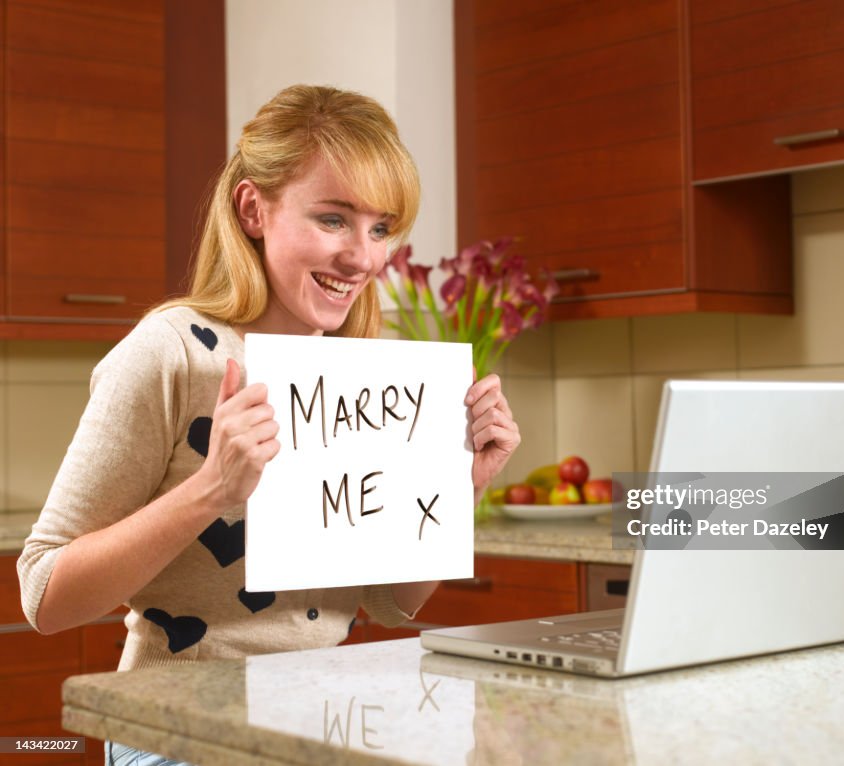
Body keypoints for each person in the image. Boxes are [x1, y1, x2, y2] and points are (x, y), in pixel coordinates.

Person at [17, 85, 520, 765]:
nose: (363, 258)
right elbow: (45, 595)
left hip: (328, 721)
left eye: (379, 228)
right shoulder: (169, 352)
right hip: (179, 730)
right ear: (254, 209)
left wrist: (463, 485)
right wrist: (210, 491)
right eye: (333, 219)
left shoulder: (358, 377)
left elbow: (392, 603)